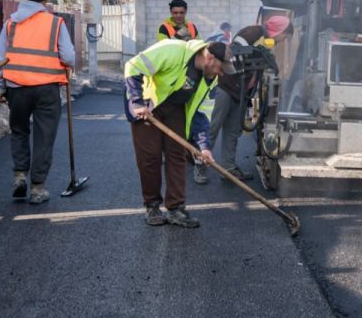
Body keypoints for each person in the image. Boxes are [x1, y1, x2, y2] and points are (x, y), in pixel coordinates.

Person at [123, 39, 235, 228]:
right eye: (220, 68)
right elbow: (133, 66)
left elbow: (202, 114)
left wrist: (204, 147)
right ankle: (152, 206)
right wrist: (137, 101)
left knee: (177, 155)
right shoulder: (173, 50)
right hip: (148, 106)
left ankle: (176, 209)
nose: (221, 73)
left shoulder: (210, 80)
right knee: (150, 157)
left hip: (175, 109)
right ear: (210, 57)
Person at [0, 0, 76, 204]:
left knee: (19, 131)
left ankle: (20, 175)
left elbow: (0, 59)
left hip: (16, 87)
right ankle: (37, 189)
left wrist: (1, 87)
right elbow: (68, 57)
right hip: (47, 89)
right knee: (44, 137)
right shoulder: (55, 23)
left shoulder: (11, 23)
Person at [209, 16, 293, 181]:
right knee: (214, 127)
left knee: (233, 131)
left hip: (241, 92)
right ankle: (200, 163)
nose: (281, 40)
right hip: (227, 86)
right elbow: (234, 53)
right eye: (283, 36)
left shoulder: (266, 40)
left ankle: (228, 168)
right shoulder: (252, 32)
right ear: (279, 29)